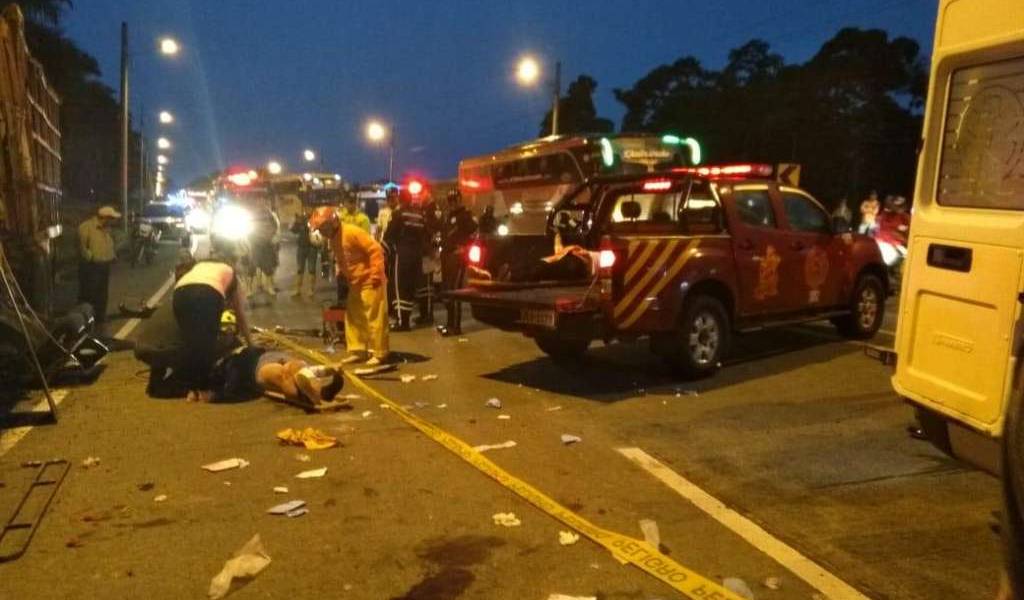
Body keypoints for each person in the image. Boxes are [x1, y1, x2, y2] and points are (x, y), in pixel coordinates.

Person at [309, 206, 389, 365]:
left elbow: (375, 250)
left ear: (333, 222)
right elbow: (342, 258)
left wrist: (375, 275)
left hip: (370, 281)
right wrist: (342, 273)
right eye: (320, 228)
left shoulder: (352, 232)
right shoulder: (333, 239)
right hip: (355, 282)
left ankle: (380, 352)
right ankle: (358, 350)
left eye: (323, 227)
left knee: (374, 318)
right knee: (353, 318)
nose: (322, 231)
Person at [172, 244, 252, 403]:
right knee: (207, 342)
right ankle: (204, 390)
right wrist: (250, 344)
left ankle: (189, 389)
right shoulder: (231, 273)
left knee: (189, 341)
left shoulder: (201, 266)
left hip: (179, 293)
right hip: (206, 293)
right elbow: (240, 315)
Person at [383, 189, 427, 331]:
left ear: (400, 199)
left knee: (399, 288)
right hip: (416, 256)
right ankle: (406, 319)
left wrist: (384, 251)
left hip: (401, 255)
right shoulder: (419, 215)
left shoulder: (398, 214)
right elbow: (424, 236)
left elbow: (389, 236)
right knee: (409, 288)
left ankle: (402, 322)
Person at [437, 189, 477, 337]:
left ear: (460, 200)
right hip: (446, 257)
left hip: (457, 258)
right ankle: (449, 323)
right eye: (450, 200)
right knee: (447, 290)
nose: (452, 203)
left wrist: (465, 247)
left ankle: (455, 326)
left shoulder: (465, 215)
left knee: (455, 291)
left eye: (455, 200)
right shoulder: (449, 216)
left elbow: (474, 232)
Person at [77, 205, 120, 328]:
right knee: (89, 293)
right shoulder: (85, 228)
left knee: (102, 293)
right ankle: (86, 319)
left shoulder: (107, 229)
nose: (113, 221)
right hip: (91, 267)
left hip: (104, 265)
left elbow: (108, 244)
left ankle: (100, 316)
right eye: (111, 218)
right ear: (105, 218)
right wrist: (91, 259)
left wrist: (112, 256)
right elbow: (82, 248)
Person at [290, 205, 319, 298]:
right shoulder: (301, 219)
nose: (307, 210)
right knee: (299, 269)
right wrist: (296, 222)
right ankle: (298, 290)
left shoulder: (317, 219)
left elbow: (319, 232)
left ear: (313, 209)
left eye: (309, 208)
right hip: (301, 247)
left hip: (312, 247)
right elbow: (294, 231)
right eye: (306, 208)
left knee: (311, 269)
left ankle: (311, 289)